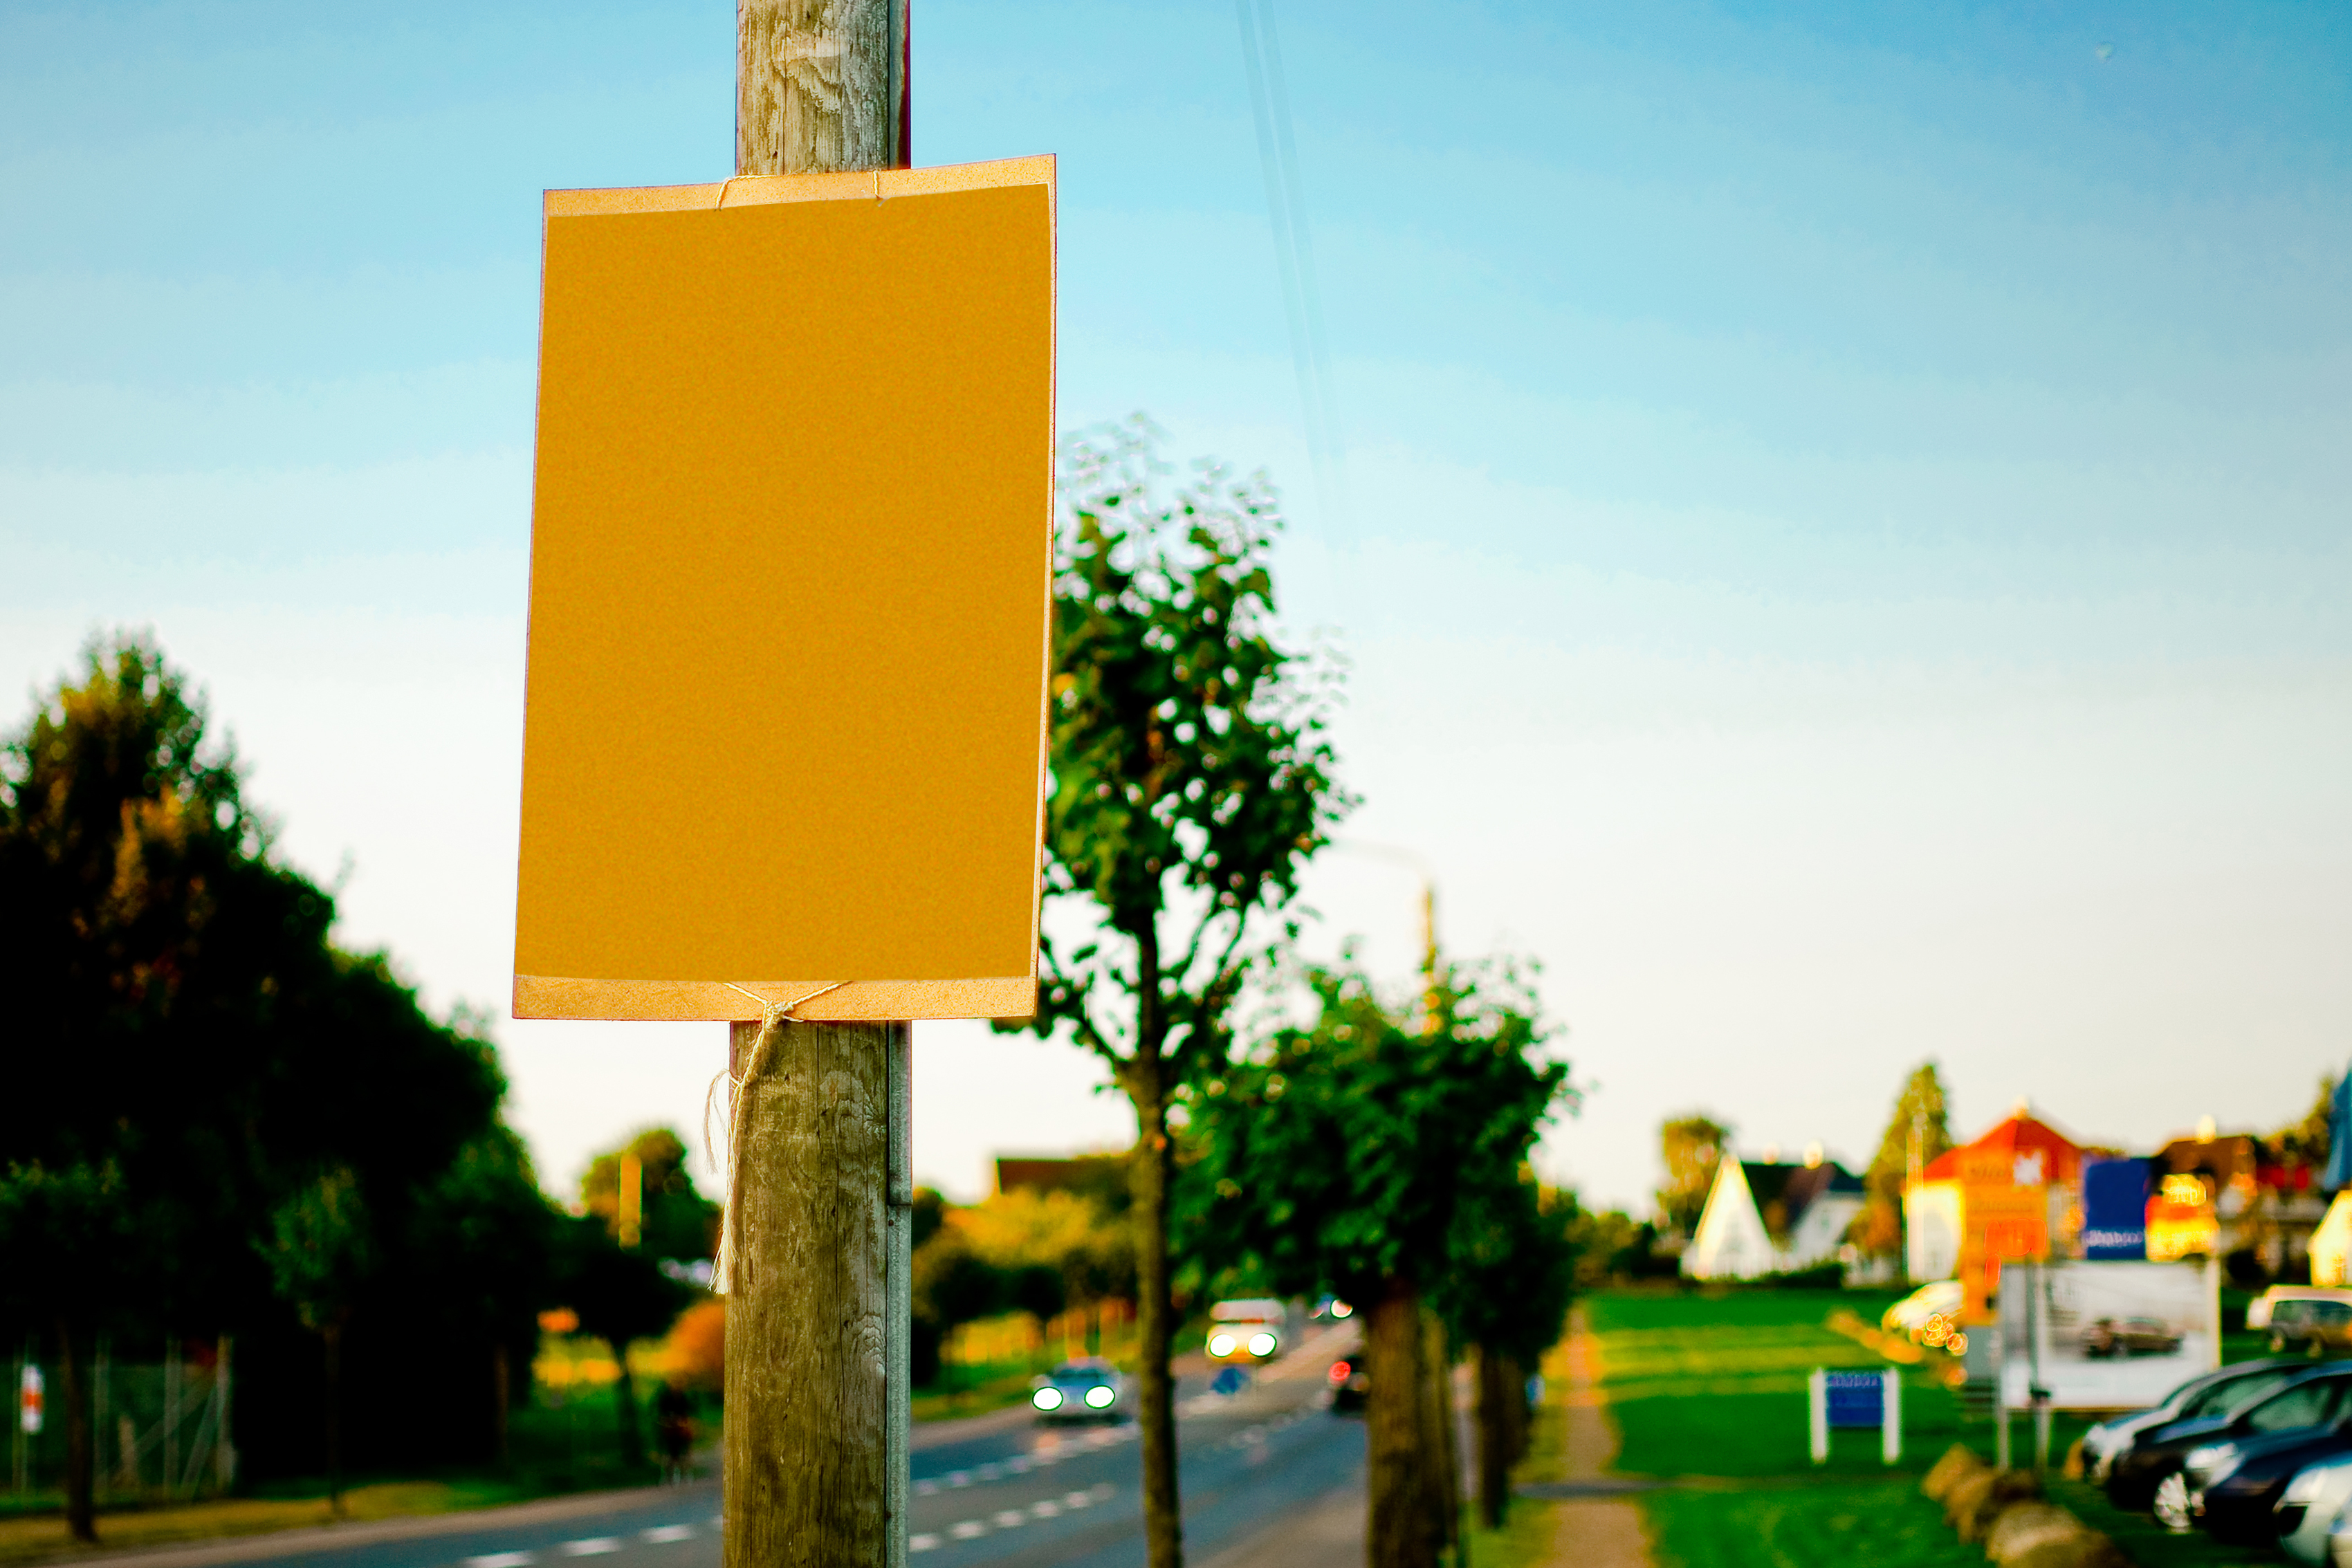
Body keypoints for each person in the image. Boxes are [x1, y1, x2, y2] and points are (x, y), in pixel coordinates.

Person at [654, 1383, 696, 1484]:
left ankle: (685, 1473)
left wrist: (682, 1421)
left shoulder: (683, 1398)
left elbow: (688, 1413)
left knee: (685, 1452)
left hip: (681, 1427)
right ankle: (669, 1475)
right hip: (670, 1427)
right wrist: (668, 1421)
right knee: (669, 1453)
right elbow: (661, 1416)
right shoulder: (666, 1399)